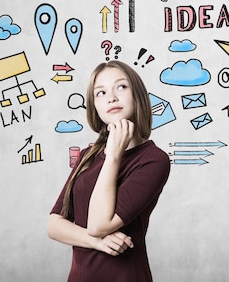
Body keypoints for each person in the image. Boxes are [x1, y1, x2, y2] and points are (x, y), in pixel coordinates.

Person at [48, 60, 170, 281]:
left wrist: (113, 155)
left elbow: (98, 225)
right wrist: (97, 242)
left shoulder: (154, 160)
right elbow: (54, 224)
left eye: (121, 87)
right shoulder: (88, 156)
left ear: (138, 95)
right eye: (100, 93)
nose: (111, 97)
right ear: (94, 106)